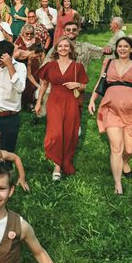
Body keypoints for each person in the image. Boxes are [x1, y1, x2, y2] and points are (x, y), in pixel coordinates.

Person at [88, 37, 132, 194]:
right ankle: (118, 185)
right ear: (116, 49)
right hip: (111, 109)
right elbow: (99, 84)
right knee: (116, 148)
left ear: (131, 49)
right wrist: (92, 100)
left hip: (131, 110)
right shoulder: (108, 63)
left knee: (129, 149)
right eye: (119, 46)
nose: (122, 49)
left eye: (125, 46)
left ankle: (125, 162)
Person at [35, 37, 88, 180]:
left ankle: (65, 161)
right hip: (55, 101)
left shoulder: (78, 67)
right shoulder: (50, 66)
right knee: (56, 133)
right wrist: (39, 102)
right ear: (56, 49)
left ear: (70, 49)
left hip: (71, 101)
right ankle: (57, 165)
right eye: (60, 46)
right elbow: (44, 85)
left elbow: (84, 86)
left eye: (66, 46)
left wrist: (77, 85)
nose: (63, 48)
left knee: (69, 133)